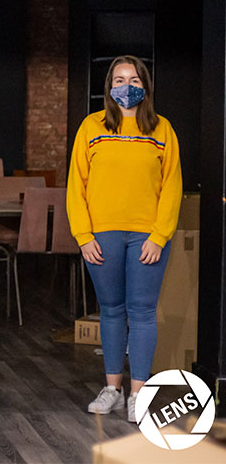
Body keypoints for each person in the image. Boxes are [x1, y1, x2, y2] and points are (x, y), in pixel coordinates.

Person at [66, 55, 182, 422]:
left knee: (143, 312)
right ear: (109, 86)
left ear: (144, 85)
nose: (126, 86)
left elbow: (172, 187)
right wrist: (83, 236)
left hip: (147, 237)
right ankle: (113, 389)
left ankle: (139, 395)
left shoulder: (162, 130)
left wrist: (160, 236)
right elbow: (75, 187)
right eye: (119, 79)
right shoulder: (91, 127)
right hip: (102, 236)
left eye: (133, 79)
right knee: (112, 312)